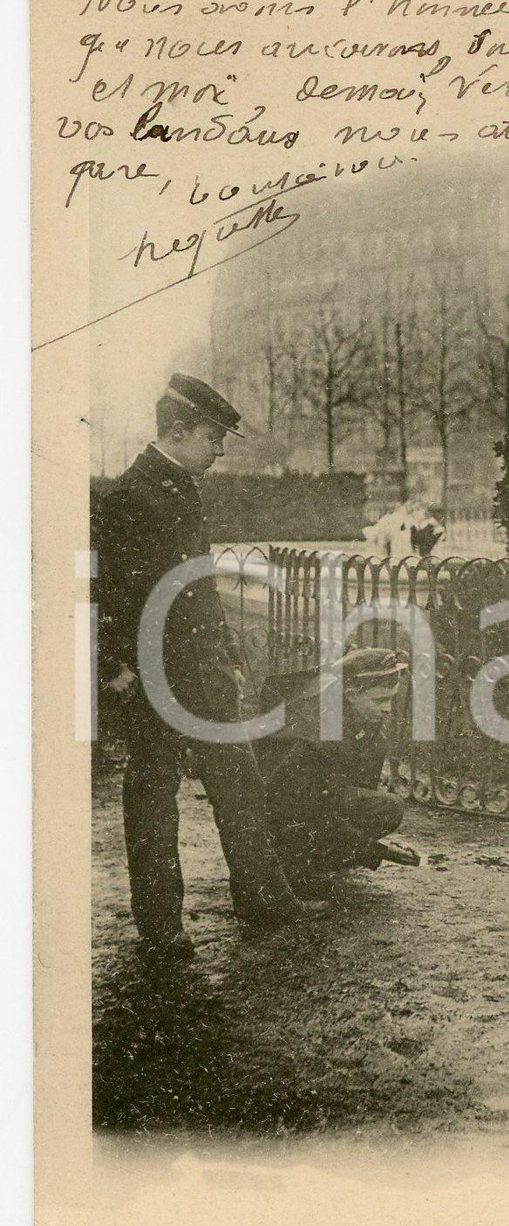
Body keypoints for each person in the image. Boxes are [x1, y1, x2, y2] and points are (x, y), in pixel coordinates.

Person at [93, 373, 318, 962]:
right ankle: (162, 926)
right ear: (179, 429)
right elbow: (108, 595)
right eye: (213, 436)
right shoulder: (126, 497)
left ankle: (265, 898)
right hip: (153, 677)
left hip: (203, 673)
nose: (219, 449)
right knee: (152, 796)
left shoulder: (177, 487)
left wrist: (224, 649)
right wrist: (114, 667)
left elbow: (193, 585)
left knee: (238, 782)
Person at [253, 650, 414, 899]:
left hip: (312, 807)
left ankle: (320, 863)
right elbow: (303, 807)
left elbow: (351, 792)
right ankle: (292, 875)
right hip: (273, 819)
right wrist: (372, 849)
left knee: (386, 807)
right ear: (351, 695)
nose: (388, 709)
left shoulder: (368, 728)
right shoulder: (314, 732)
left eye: (391, 700)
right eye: (380, 700)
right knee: (348, 805)